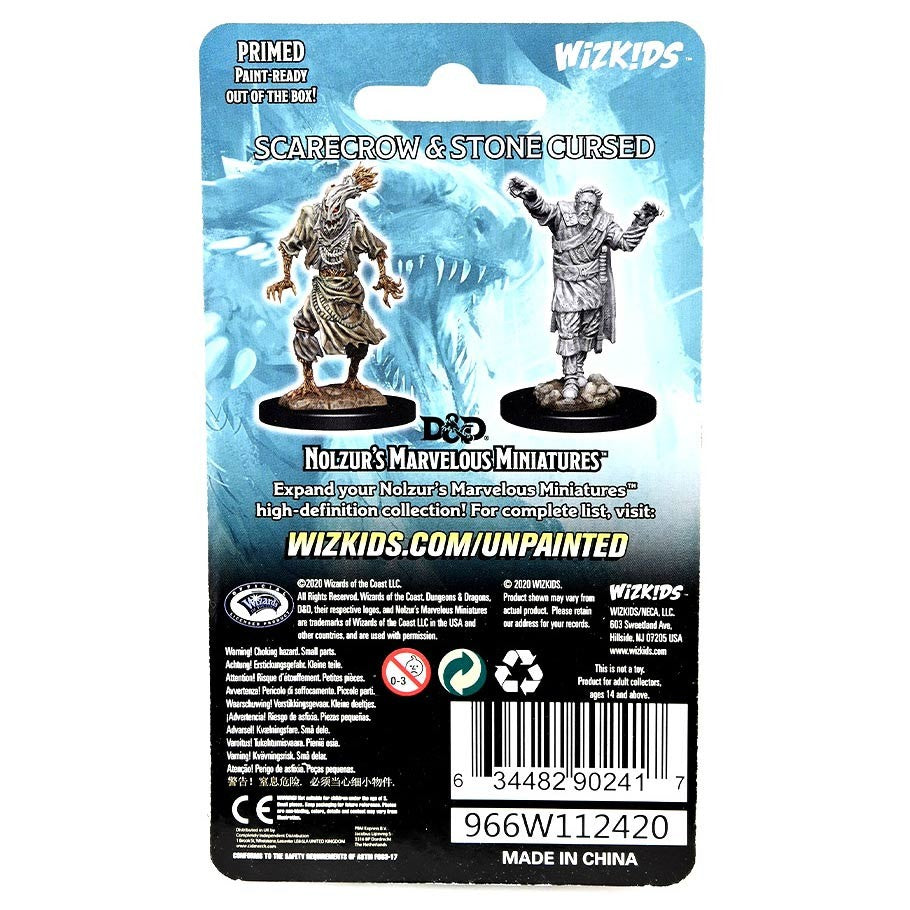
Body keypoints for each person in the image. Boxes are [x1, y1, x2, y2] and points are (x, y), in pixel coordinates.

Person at [508, 177, 659, 400]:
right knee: (568, 332)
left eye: (591, 204)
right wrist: (531, 196)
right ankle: (570, 378)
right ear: (576, 202)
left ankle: (578, 369)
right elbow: (542, 210)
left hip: (592, 287)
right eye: (584, 203)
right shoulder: (561, 213)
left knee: (588, 331)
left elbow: (625, 242)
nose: (586, 208)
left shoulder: (604, 222)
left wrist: (641, 222)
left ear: (596, 207)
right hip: (567, 286)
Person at [265, 166, 404, 406]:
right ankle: (308, 381)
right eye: (328, 208)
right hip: (322, 287)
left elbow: (378, 250)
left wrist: (384, 277)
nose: (331, 216)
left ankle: (352, 378)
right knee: (303, 325)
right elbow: (288, 245)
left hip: (348, 288)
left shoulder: (354, 224)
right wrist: (286, 277)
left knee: (361, 332)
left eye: (336, 210)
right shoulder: (310, 216)